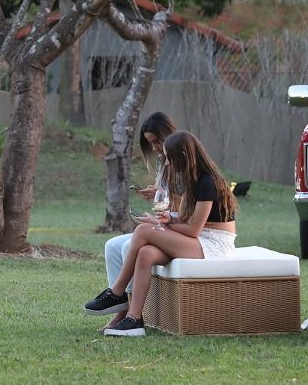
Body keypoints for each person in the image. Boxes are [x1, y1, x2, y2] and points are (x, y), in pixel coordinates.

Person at [83, 131, 238, 337]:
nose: (167, 164)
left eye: (169, 159)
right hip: (199, 239)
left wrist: (162, 224)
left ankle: (117, 292)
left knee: (143, 230)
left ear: (183, 156)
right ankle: (134, 319)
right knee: (146, 253)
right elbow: (188, 221)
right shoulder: (192, 179)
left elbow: (193, 230)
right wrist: (168, 219)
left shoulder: (207, 182)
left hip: (214, 244)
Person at [94, 112, 179, 329]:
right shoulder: (163, 163)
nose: (155, 148)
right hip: (169, 223)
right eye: (150, 143)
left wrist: (160, 219)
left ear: (167, 134)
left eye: (156, 141)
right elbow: (172, 199)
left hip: (179, 229)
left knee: (128, 245)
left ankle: (132, 311)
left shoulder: (183, 164)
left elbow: (186, 207)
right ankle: (122, 310)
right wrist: (158, 192)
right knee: (112, 245)